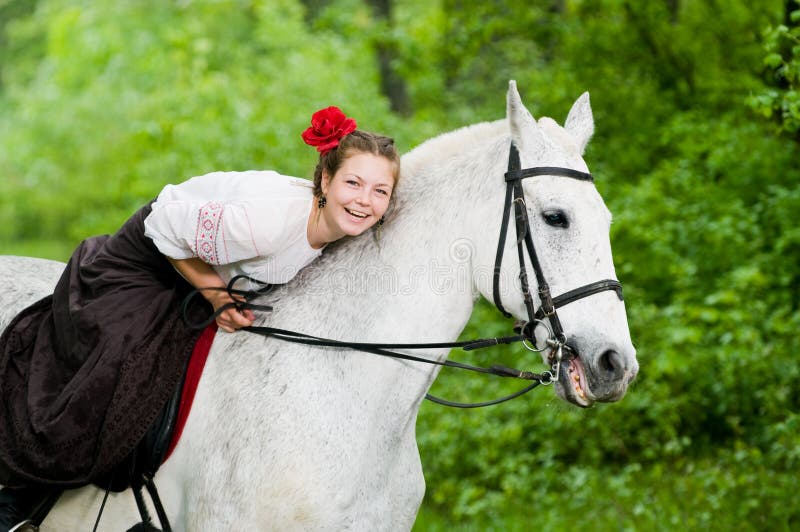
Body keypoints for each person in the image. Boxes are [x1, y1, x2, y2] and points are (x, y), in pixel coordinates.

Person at [0, 106, 400, 530]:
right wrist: (215, 296)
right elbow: (163, 226)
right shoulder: (269, 224)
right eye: (353, 183)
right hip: (149, 260)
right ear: (325, 180)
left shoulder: (337, 230)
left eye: (380, 191)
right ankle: (19, 499)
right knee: (121, 359)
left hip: (199, 271)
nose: (364, 200)